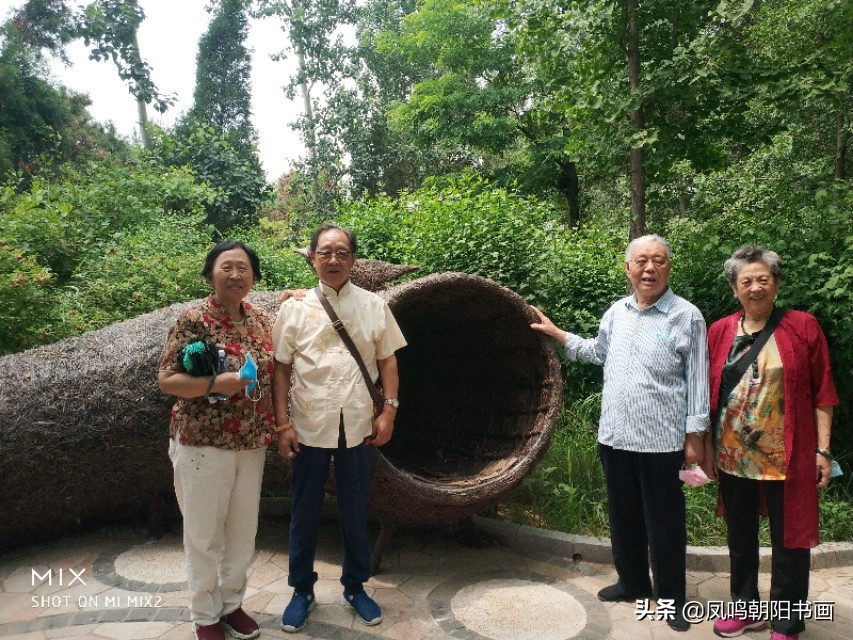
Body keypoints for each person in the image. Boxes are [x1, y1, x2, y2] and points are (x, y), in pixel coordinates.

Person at [530, 234, 709, 632]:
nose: (650, 268)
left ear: (668, 268)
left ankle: (672, 599)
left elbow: (698, 380)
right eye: (641, 261)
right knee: (623, 515)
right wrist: (558, 335)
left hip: (662, 441)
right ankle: (631, 582)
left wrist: (695, 434)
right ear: (627, 268)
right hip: (614, 436)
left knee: (664, 522)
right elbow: (598, 352)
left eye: (658, 261)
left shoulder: (686, 316)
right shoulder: (617, 311)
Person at [271, 223, 407, 633]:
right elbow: (279, 369)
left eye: (342, 252)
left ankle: (355, 586)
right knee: (304, 511)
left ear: (353, 260)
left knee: (354, 509)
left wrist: (389, 412)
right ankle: (301, 590)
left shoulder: (374, 306)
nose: (333, 260)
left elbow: (388, 362)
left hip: (360, 425)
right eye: (325, 252)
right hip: (309, 425)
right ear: (311, 257)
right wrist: (282, 425)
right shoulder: (293, 308)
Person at [700, 246, 838, 640]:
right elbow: (707, 393)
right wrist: (705, 448)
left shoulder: (803, 326)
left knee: (789, 540)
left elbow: (823, 392)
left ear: (776, 283)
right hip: (732, 454)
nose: (755, 287)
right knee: (740, 538)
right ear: (734, 288)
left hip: (788, 455)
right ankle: (745, 607)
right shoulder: (720, 331)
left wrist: (822, 450)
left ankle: (787, 621)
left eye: (763, 279)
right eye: (746, 281)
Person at [158, 241, 276, 640]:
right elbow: (166, 380)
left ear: (254, 277)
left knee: (243, 532)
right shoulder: (193, 319)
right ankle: (205, 615)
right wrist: (214, 382)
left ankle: (231, 604)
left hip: (251, 443)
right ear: (211, 273)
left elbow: (272, 372)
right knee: (204, 534)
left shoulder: (260, 319)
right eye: (227, 267)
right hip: (202, 444)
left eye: (244, 268)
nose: (236, 275)